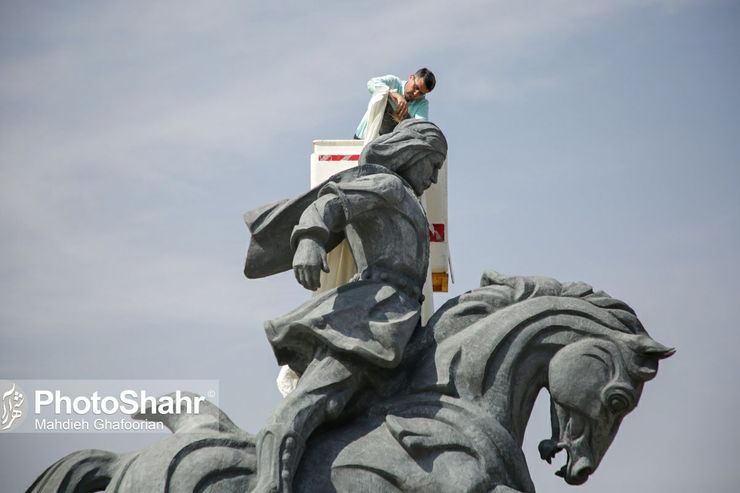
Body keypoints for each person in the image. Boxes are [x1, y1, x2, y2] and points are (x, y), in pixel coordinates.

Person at [243, 119, 447, 493]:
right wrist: (310, 239)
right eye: (433, 165)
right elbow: (330, 204)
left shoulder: (409, 199)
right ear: (413, 153)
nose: (434, 177)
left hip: (401, 320)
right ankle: (269, 484)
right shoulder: (388, 185)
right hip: (371, 318)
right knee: (307, 405)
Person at [354, 68, 436, 140]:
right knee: (381, 93)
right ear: (411, 77)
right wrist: (393, 94)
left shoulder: (422, 103)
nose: (415, 94)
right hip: (363, 139)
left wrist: (404, 117)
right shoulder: (394, 82)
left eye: (421, 93)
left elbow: (420, 127)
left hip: (386, 149)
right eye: (416, 87)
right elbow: (371, 83)